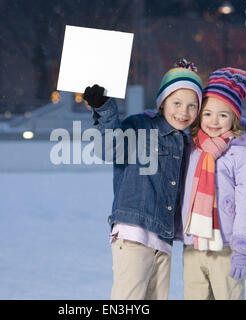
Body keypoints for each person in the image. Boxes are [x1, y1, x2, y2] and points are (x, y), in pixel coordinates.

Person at [82, 59, 203, 300]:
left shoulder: (188, 142)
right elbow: (109, 150)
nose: (183, 112)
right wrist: (104, 108)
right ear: (162, 102)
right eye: (177, 103)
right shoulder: (140, 126)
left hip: (164, 240)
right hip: (133, 233)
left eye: (192, 106)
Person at [178, 67, 246, 300]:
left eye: (223, 115)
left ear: (234, 118)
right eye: (207, 114)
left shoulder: (243, 156)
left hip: (226, 248)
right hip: (193, 246)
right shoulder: (191, 149)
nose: (214, 121)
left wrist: (244, 249)